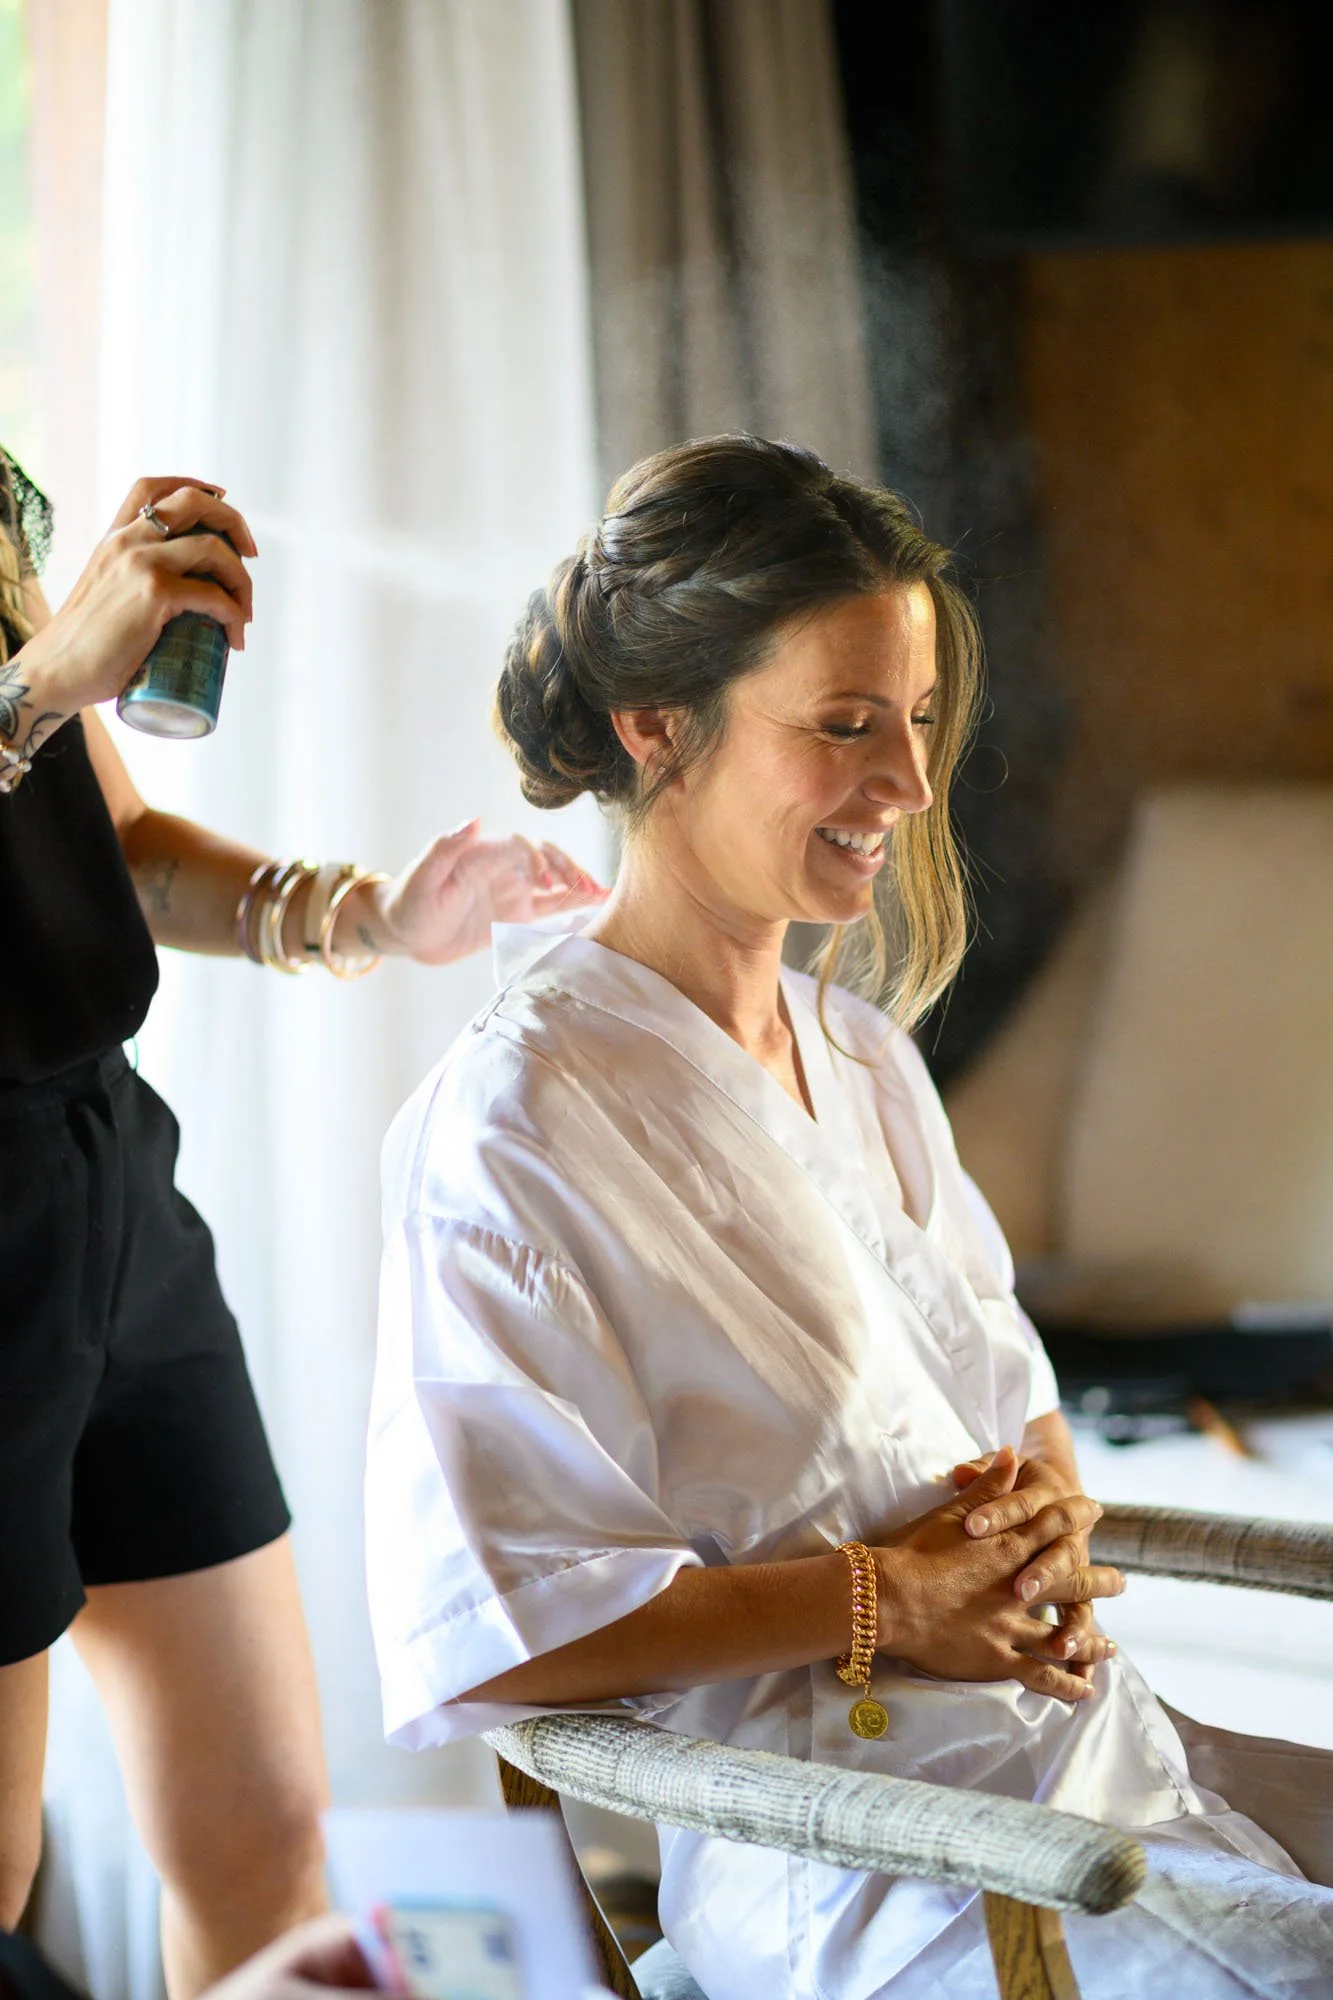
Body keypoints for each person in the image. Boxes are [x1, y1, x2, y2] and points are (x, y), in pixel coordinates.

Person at [365, 435, 1333, 1999]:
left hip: (1093, 1768)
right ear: (656, 727)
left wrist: (1042, 1543)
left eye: (922, 720)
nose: (906, 782)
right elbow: (498, 1628)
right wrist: (895, 1606)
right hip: (863, 1868)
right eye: (843, 726)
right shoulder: (516, 1125)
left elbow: (1023, 1427)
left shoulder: (863, 1059)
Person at [0, 452, 603, 2000]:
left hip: (112, 1180)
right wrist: (37, 685)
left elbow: (108, 844)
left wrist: (365, 915)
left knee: (267, 1839)